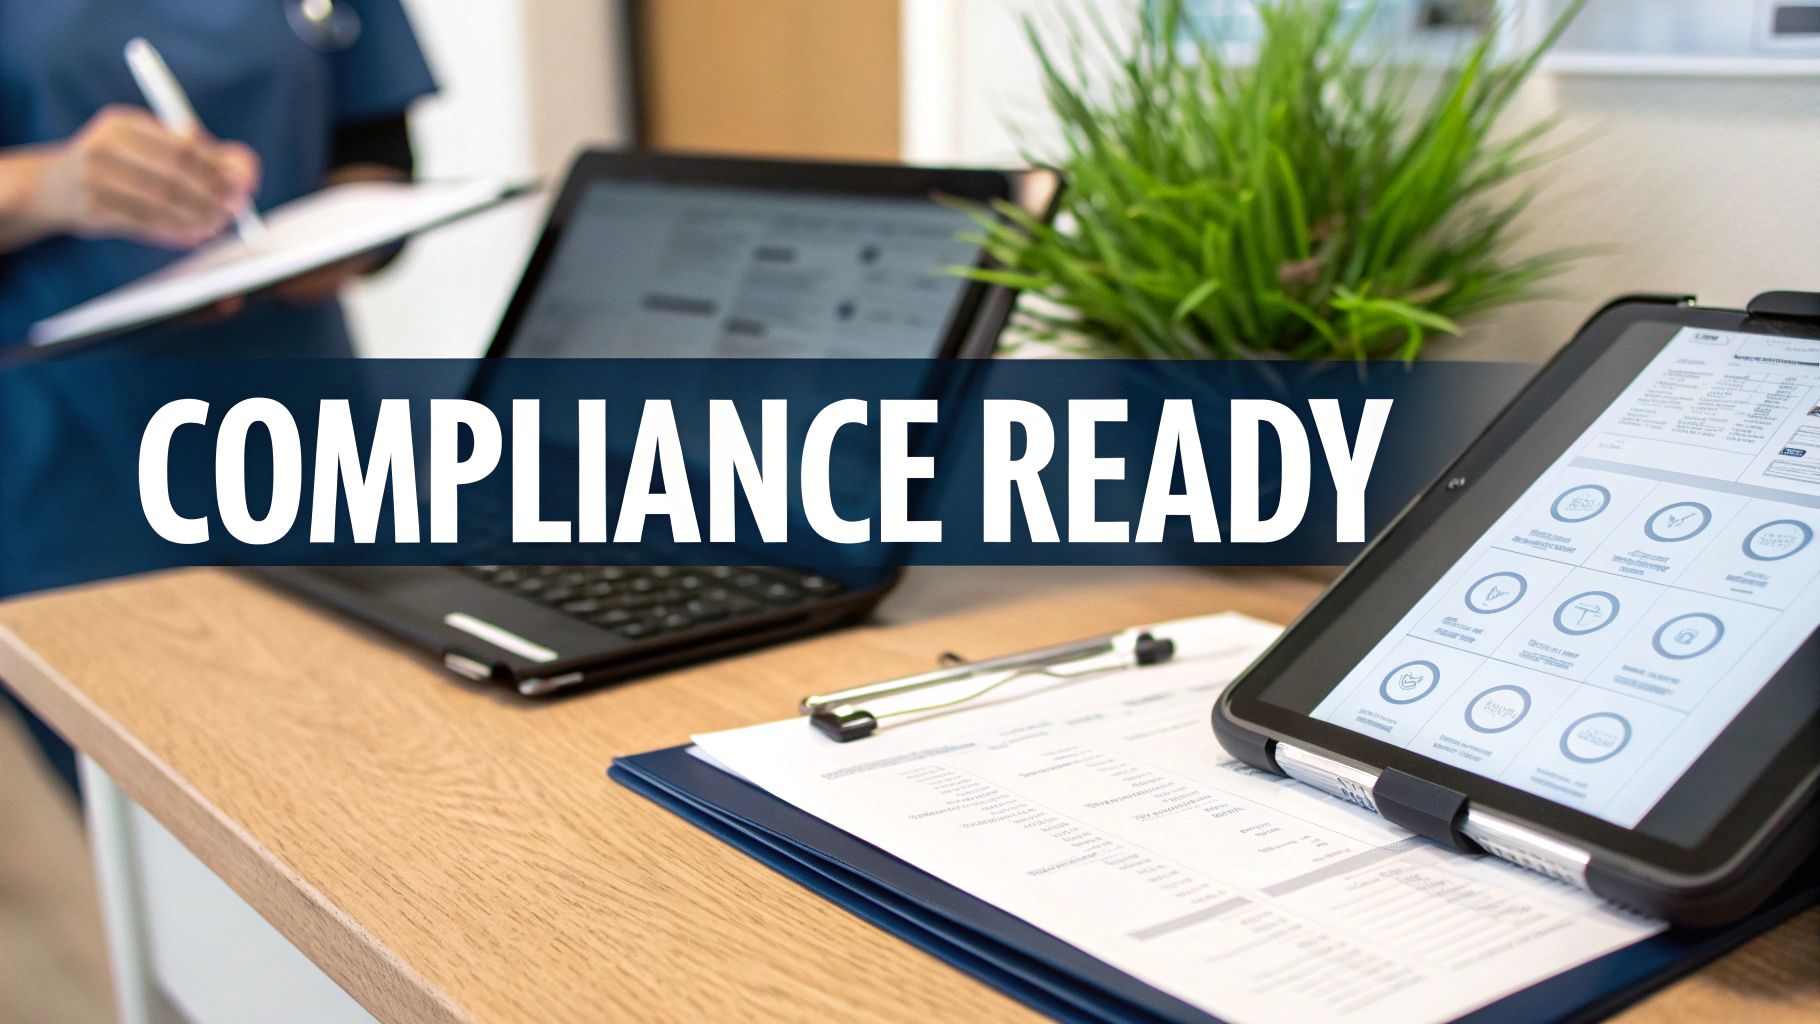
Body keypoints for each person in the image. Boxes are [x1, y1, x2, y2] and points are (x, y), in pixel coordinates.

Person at [0, 0, 438, 795]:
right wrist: (43, 187)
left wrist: (329, 243)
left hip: (312, 440)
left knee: (387, 780)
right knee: (169, 829)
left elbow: (375, 147)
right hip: (74, 470)